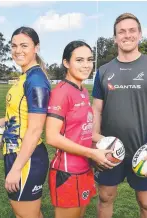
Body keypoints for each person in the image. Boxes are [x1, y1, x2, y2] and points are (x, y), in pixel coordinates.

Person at [46, 41, 115, 218]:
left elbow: (84, 131)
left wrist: (111, 143)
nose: (86, 65)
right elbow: (52, 137)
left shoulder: (83, 91)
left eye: (89, 60)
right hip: (67, 172)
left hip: (84, 168)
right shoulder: (61, 92)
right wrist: (92, 154)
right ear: (66, 63)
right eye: (79, 60)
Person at [92, 13, 147, 218]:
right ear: (115, 38)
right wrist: (96, 140)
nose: (127, 35)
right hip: (110, 148)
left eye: (132, 30)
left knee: (145, 202)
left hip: (143, 148)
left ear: (140, 34)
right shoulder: (104, 71)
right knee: (106, 196)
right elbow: (96, 109)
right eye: (121, 31)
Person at [0, 26, 50, 218]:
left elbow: (35, 130)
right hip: (15, 154)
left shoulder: (36, 81)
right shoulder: (25, 77)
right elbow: (17, 116)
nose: (18, 50)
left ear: (36, 47)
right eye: (14, 46)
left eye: (24, 45)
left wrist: (16, 168)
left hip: (27, 158)